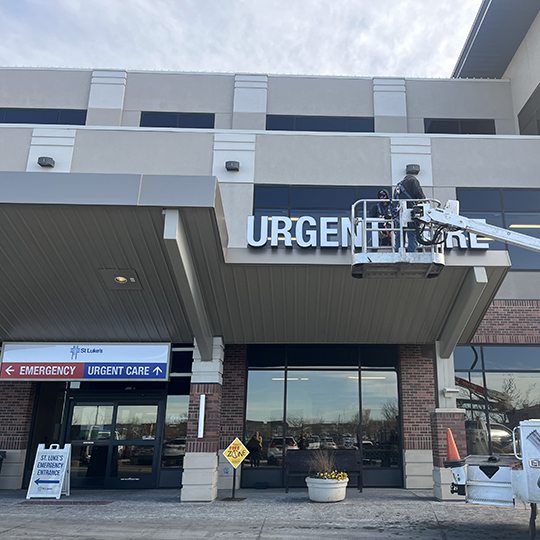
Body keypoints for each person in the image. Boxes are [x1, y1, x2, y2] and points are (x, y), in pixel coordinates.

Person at [393, 174, 426, 252]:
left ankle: (399, 252)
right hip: (410, 212)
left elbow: (394, 201)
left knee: (399, 235)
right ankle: (412, 252)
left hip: (399, 213)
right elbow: (418, 193)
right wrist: (424, 200)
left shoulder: (398, 186)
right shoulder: (413, 180)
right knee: (412, 233)